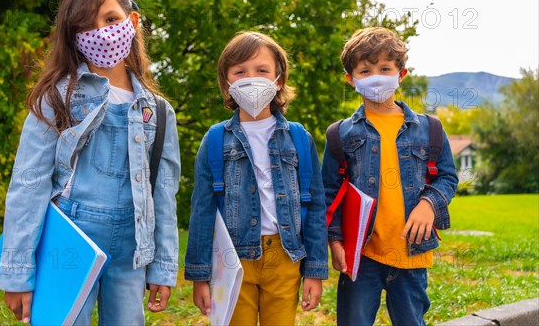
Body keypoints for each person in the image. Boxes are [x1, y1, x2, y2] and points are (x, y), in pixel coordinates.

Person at [0, 0, 180, 325]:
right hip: (67, 244)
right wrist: (17, 273)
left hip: (130, 247)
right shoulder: (57, 97)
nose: (102, 32)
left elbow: (164, 193)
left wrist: (163, 266)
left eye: (111, 18)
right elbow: (29, 183)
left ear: (133, 20)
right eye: (87, 24)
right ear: (74, 36)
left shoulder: (157, 111)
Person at [184, 31, 328, 325]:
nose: (251, 78)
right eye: (240, 72)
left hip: (286, 258)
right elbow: (202, 210)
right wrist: (200, 276)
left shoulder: (299, 138)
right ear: (227, 82)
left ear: (279, 80)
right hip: (233, 261)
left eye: (262, 70)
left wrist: (315, 270)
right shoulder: (215, 141)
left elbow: (314, 205)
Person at [322, 27, 458, 325]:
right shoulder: (339, 135)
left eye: (385, 68)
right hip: (362, 256)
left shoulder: (429, 129)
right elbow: (329, 195)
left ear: (401, 74)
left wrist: (428, 204)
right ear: (351, 79)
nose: (376, 76)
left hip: (411, 254)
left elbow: (447, 178)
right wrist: (334, 242)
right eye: (365, 70)